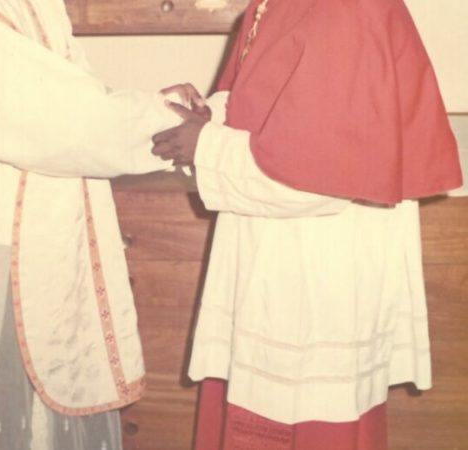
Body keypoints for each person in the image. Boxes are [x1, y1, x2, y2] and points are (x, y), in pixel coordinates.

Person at [152, 0, 463, 448]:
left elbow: (318, 179)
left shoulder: (351, 9)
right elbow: (264, 109)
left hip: (317, 266)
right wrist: (211, 116)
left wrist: (205, 146)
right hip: (270, 254)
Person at [0, 0, 184, 449]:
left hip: (50, 218)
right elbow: (54, 120)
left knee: (50, 403)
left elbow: (68, 93)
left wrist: (158, 110)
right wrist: (162, 120)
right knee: (1, 401)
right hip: (2, 230)